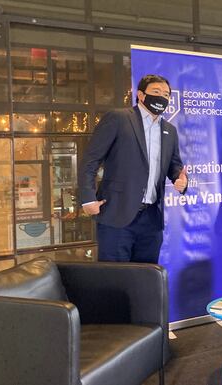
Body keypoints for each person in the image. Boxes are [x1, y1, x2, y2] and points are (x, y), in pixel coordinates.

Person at [79, 74, 187, 263]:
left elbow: (174, 165)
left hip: (152, 219)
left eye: (167, 94)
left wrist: (180, 178)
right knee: (115, 281)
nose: (162, 97)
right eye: (156, 92)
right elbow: (91, 160)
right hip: (116, 215)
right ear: (141, 95)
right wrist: (88, 199)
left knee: (146, 279)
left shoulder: (170, 130)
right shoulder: (119, 118)